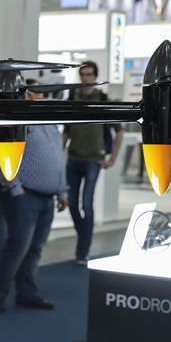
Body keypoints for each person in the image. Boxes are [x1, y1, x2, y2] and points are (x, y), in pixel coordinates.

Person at [0, 90, 69, 312]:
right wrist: (14, 187)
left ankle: (26, 294)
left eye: (40, 94)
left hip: (48, 197)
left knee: (35, 248)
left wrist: (62, 191)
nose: (36, 97)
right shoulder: (17, 121)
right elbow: (0, 153)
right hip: (25, 197)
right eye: (31, 93)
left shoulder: (49, 123)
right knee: (18, 246)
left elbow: (58, 156)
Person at [64, 61, 123, 264]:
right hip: (73, 158)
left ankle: (82, 251)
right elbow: (66, 130)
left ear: (95, 76)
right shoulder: (73, 98)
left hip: (93, 160)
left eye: (89, 74)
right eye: (83, 74)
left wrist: (112, 159)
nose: (86, 78)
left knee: (87, 204)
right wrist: (59, 154)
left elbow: (119, 130)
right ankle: (85, 236)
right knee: (72, 204)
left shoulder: (103, 99)